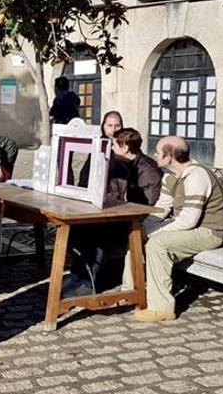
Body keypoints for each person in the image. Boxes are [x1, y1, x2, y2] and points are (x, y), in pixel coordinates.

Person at [127, 136, 223, 323]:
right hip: (188, 227)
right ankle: (130, 292)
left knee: (158, 244)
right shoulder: (171, 176)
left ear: (169, 156)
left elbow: (189, 220)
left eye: (158, 152)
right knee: (135, 234)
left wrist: (155, 234)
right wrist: (143, 227)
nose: (154, 154)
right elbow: (163, 207)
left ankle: (161, 308)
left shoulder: (196, 176)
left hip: (208, 232)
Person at [65, 127, 163, 296]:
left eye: (114, 146)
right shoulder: (121, 163)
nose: (111, 149)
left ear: (125, 147)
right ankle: (78, 274)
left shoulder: (147, 170)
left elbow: (146, 206)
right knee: (78, 226)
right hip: (120, 214)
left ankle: (89, 282)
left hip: (139, 220)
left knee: (101, 233)